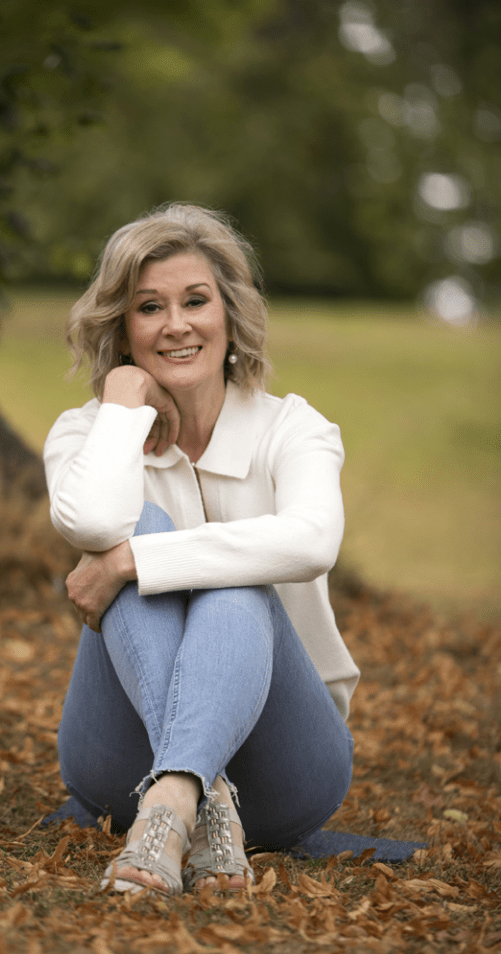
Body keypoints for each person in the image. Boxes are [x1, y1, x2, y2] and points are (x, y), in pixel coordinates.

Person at [43, 203, 359, 896]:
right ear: (122, 329)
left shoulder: (291, 427)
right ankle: (187, 798)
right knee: (145, 524)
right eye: (148, 307)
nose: (176, 324)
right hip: (118, 766)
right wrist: (124, 405)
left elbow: (310, 541)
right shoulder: (87, 433)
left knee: (234, 575)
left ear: (230, 315)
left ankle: (175, 799)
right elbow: (94, 521)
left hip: (287, 765)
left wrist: (130, 562)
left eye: (195, 300)